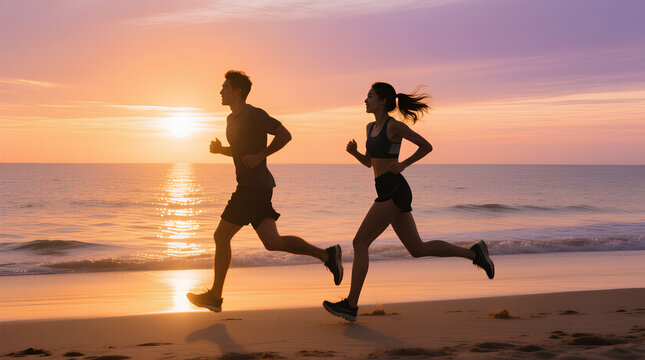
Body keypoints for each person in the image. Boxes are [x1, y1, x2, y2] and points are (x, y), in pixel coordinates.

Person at [322, 82, 494, 322]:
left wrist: (404, 164)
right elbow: (370, 163)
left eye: (369, 96)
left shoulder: (394, 127)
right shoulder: (370, 127)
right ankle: (475, 254)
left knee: (359, 242)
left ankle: (351, 305)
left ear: (382, 101)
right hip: (386, 189)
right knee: (417, 249)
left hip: (394, 190)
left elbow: (426, 146)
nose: (365, 100)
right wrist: (354, 153)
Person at [187, 70, 343, 312]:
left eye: (225, 87)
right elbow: (241, 150)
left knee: (221, 236)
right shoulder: (232, 119)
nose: (220, 91)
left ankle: (215, 296)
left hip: (252, 188)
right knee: (272, 242)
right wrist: (222, 151)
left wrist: (262, 155)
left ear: (237, 92)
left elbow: (285, 135)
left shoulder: (255, 115)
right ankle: (327, 255)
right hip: (257, 188)